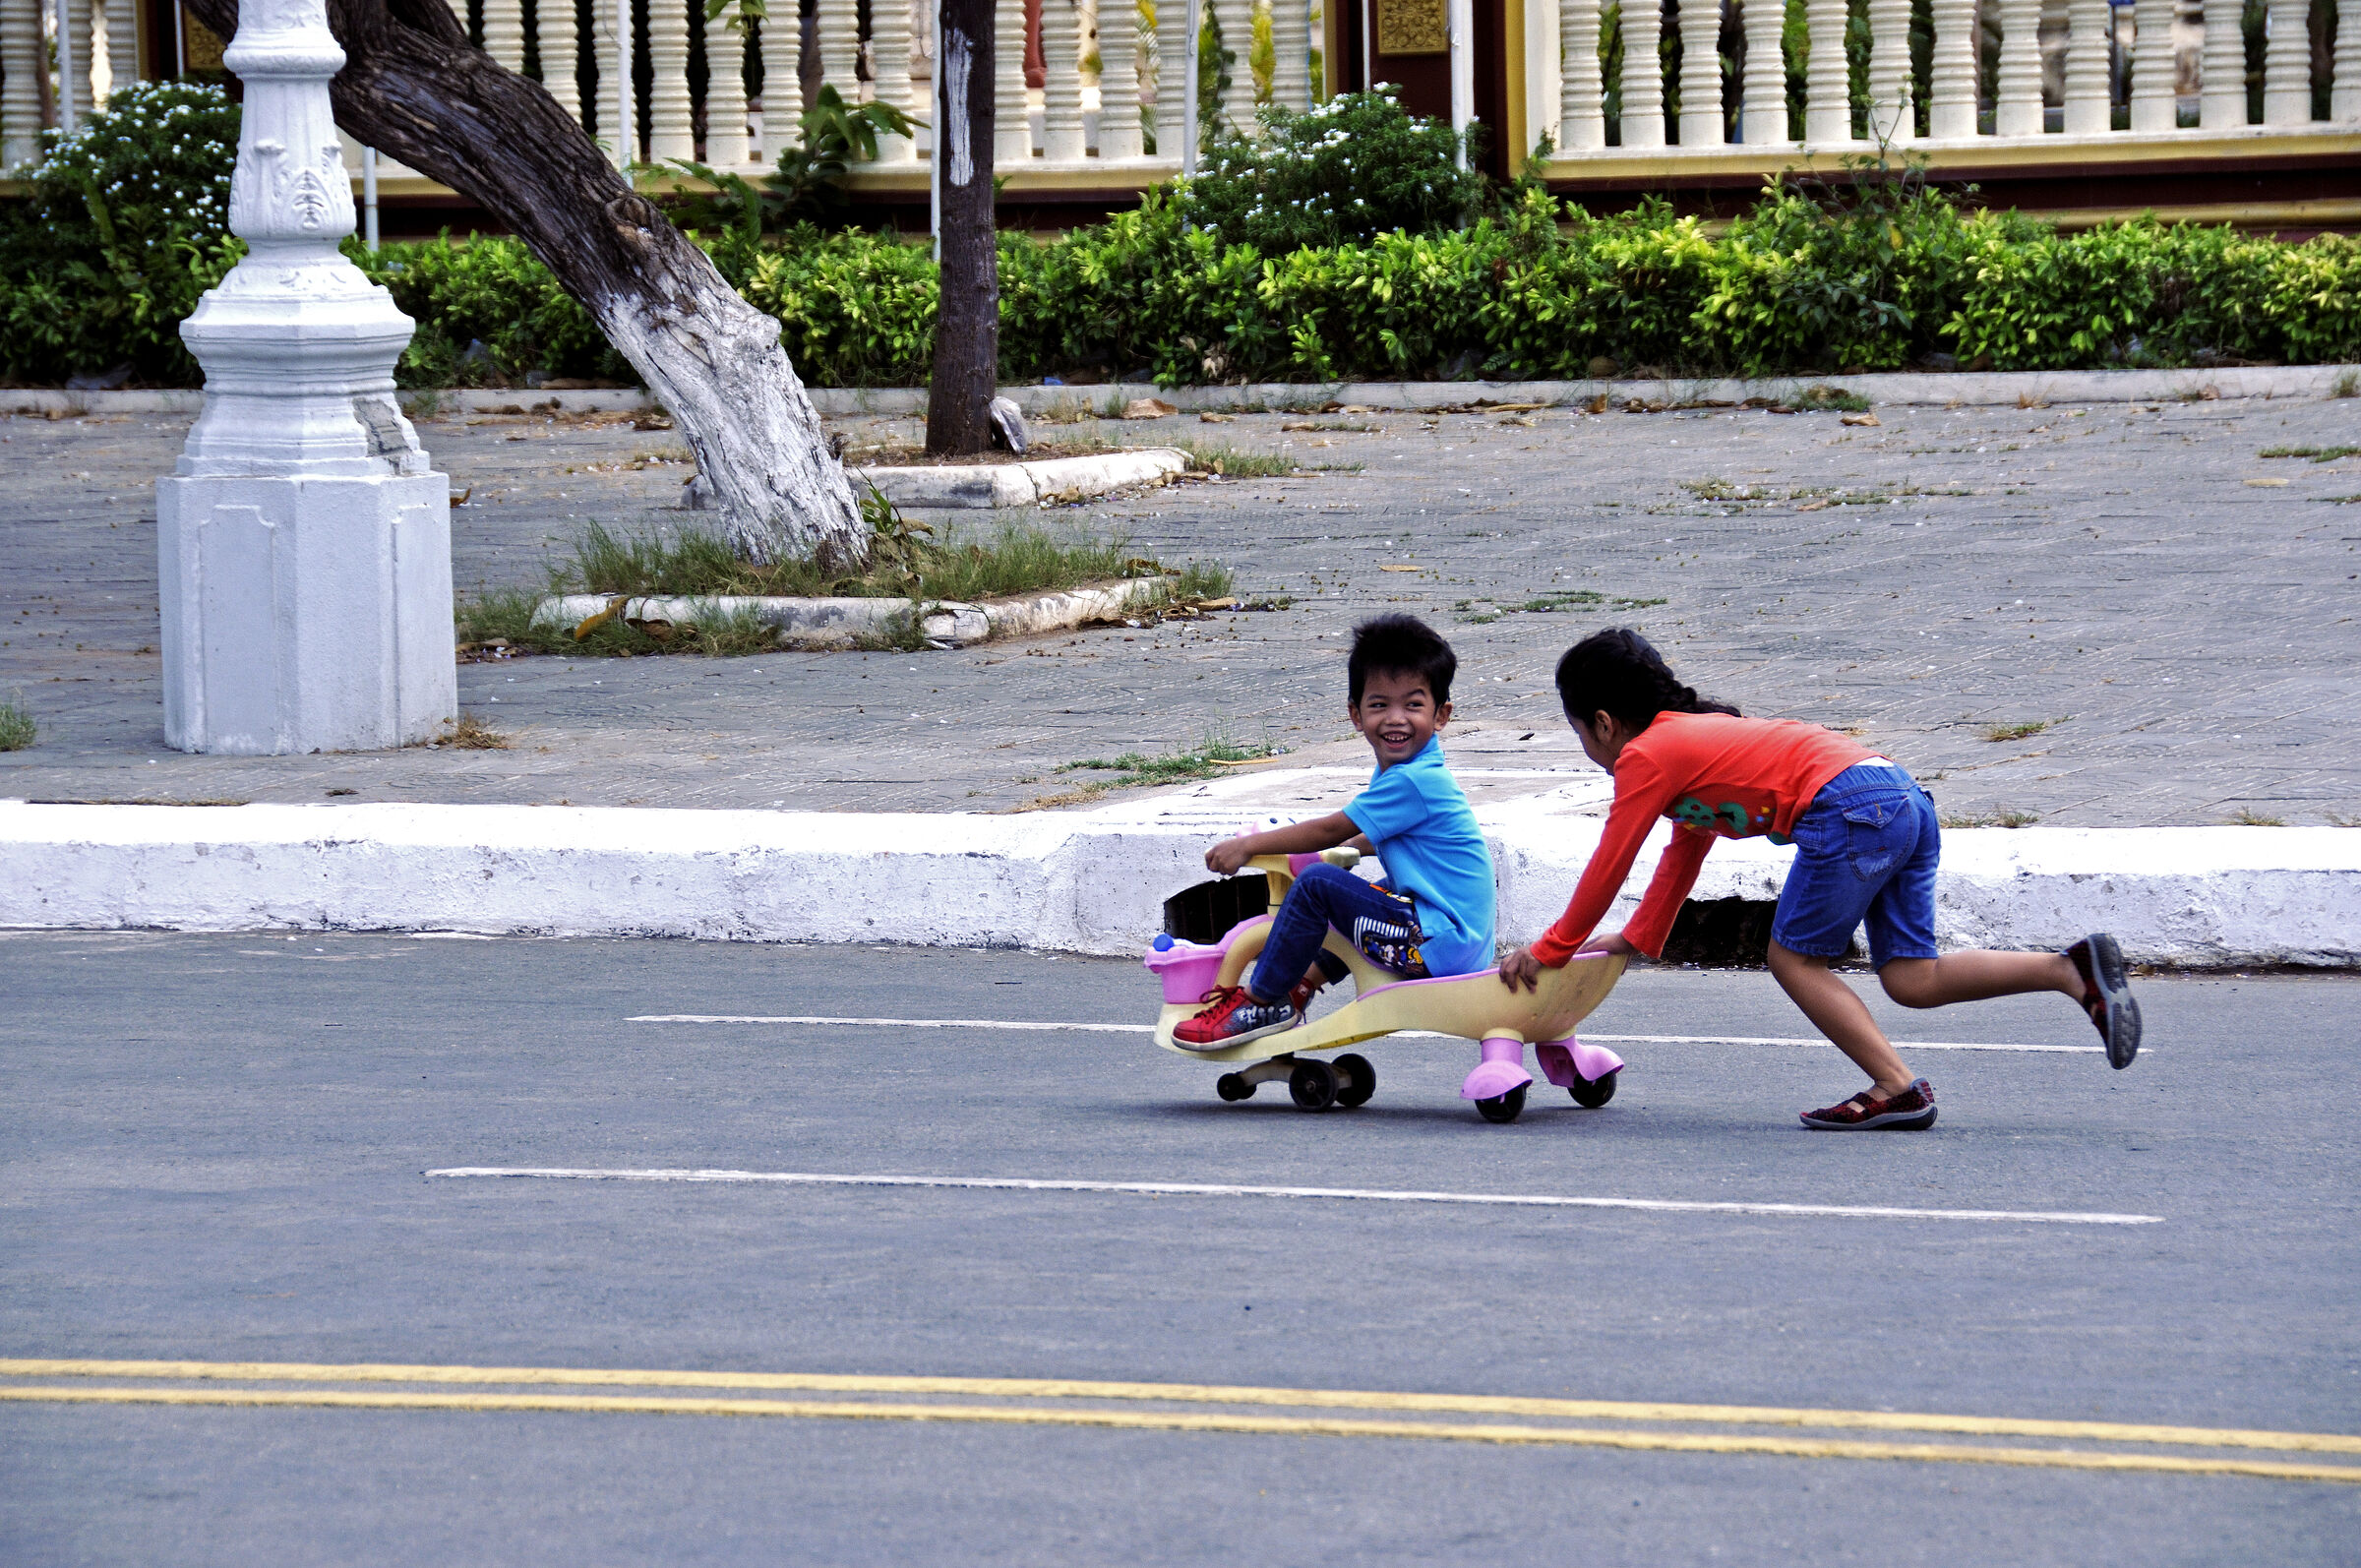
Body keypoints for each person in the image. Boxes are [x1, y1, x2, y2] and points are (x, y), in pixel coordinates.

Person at [1498, 628, 2141, 1128]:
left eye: (1578, 732)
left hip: (1852, 809)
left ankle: (1896, 1087)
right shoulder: (1693, 740)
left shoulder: (1646, 755)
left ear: (1602, 723)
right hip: (1901, 797)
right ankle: (2070, 969)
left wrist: (1551, 949)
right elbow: (1684, 848)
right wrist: (1638, 937)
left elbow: (1610, 861)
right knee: (1911, 978)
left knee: (1793, 959)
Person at [1175, 613, 1496, 1049]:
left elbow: (1329, 828)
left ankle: (1262, 1001)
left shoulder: (1412, 780)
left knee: (1318, 885)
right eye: (1379, 705)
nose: (1395, 719)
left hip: (1437, 942)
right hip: (1457, 940)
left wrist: (1248, 846)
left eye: (1413, 705)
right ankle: (1302, 983)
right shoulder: (1416, 770)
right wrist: (1351, 848)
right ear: (1355, 714)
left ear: (1441, 715)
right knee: (1365, 892)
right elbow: (1384, 836)